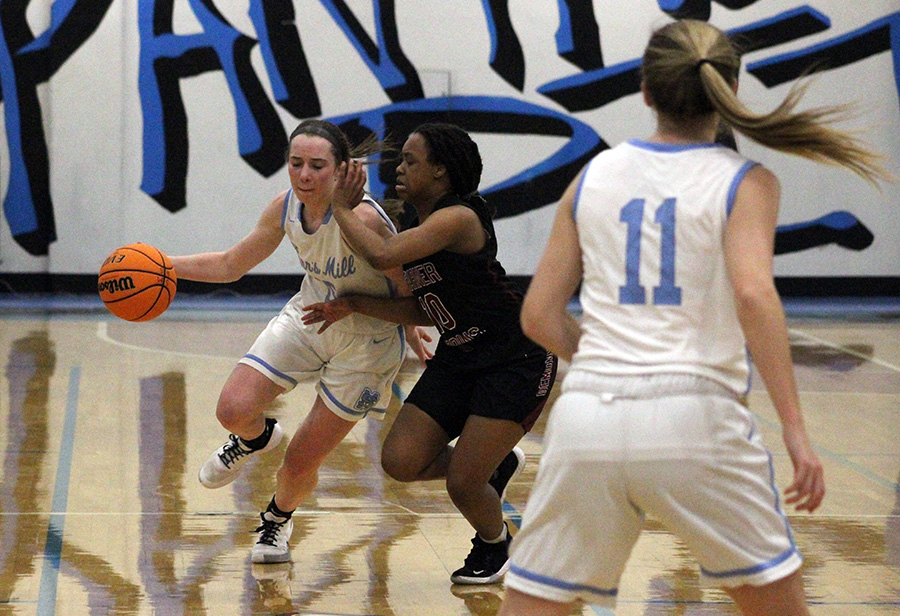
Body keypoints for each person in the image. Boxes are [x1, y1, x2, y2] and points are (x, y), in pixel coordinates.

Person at [498, 19, 888, 616]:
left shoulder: (591, 177)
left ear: (646, 91)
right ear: (730, 89)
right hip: (695, 419)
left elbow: (538, 316)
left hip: (587, 418)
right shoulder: (746, 181)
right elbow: (755, 296)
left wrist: (612, 363)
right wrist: (796, 429)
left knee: (536, 604)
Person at [301, 122, 559, 584]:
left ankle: (493, 544)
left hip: (515, 359)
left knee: (463, 483)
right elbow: (427, 306)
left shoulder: (457, 217)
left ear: (440, 171)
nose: (399, 168)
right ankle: (493, 467)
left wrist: (340, 207)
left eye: (411, 161)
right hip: (461, 357)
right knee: (400, 462)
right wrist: (355, 304)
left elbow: (381, 256)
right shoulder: (419, 223)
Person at [169, 119, 430, 564]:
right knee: (232, 409)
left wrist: (408, 328)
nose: (304, 175)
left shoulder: (365, 218)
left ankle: (277, 518)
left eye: (316, 165)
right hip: (310, 315)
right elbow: (232, 264)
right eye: (295, 164)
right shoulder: (286, 206)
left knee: (298, 462)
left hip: (366, 340)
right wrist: (161, 264)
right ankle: (254, 438)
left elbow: (408, 286)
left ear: (342, 170)